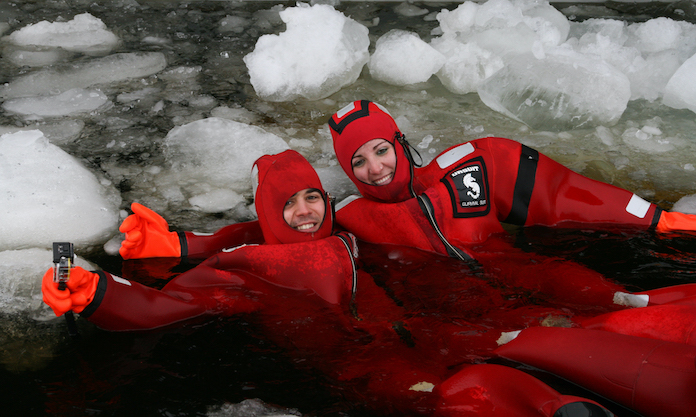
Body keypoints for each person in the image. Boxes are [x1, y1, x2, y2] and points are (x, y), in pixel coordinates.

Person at [42, 149, 620, 417]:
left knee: (498, 343)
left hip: (404, 325)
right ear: (272, 213)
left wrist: (183, 240)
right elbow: (169, 304)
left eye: (312, 196)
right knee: (441, 389)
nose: (305, 212)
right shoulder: (250, 267)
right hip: (354, 360)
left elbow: (253, 224)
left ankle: (565, 401)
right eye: (288, 204)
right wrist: (99, 297)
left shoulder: (337, 233)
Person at [327, 99, 696, 308]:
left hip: (522, 268)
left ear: (399, 142)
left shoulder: (468, 167)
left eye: (381, 150)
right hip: (455, 303)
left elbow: (560, 193)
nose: (375, 168)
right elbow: (291, 233)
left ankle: (638, 306)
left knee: (619, 301)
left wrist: (656, 220)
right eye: (358, 161)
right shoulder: (351, 216)